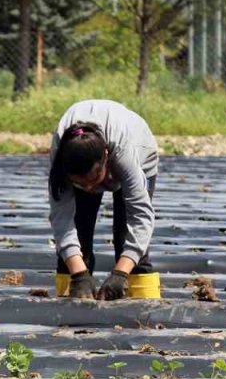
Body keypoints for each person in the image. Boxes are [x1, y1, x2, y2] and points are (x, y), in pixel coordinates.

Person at [48, 99, 158, 301]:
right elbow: (61, 219)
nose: (90, 189)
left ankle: (146, 313)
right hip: (86, 157)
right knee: (79, 240)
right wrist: (79, 274)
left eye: (93, 181)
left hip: (140, 150)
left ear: (106, 157)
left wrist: (120, 274)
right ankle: (70, 310)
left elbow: (141, 218)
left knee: (127, 237)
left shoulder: (124, 152)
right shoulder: (64, 156)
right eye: (81, 184)